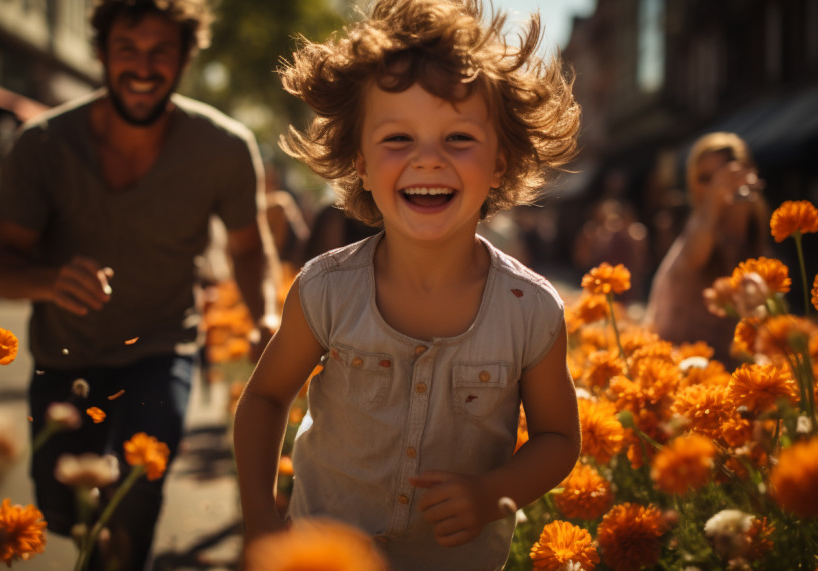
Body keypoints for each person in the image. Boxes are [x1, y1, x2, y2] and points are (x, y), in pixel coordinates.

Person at [233, 1, 582, 569]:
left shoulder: (531, 309)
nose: (428, 160)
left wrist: (494, 493)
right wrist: (258, 518)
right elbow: (267, 397)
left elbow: (558, 439)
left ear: (500, 161)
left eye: (459, 139)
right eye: (398, 139)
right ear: (360, 163)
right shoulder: (327, 289)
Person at [0, 1, 278, 569]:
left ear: (187, 57)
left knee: (136, 495)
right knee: (63, 512)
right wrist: (50, 280)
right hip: (64, 358)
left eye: (161, 51)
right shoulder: (41, 144)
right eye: (127, 50)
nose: (144, 67)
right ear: (100, 54)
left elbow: (248, 246)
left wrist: (265, 313)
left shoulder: (225, 147)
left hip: (162, 350)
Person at [645, 132, 769, 363]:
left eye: (723, 174)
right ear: (692, 184)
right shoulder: (698, 231)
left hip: (729, 370)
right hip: (678, 365)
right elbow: (696, 255)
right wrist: (716, 198)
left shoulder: (755, 230)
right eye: (705, 178)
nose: (715, 185)